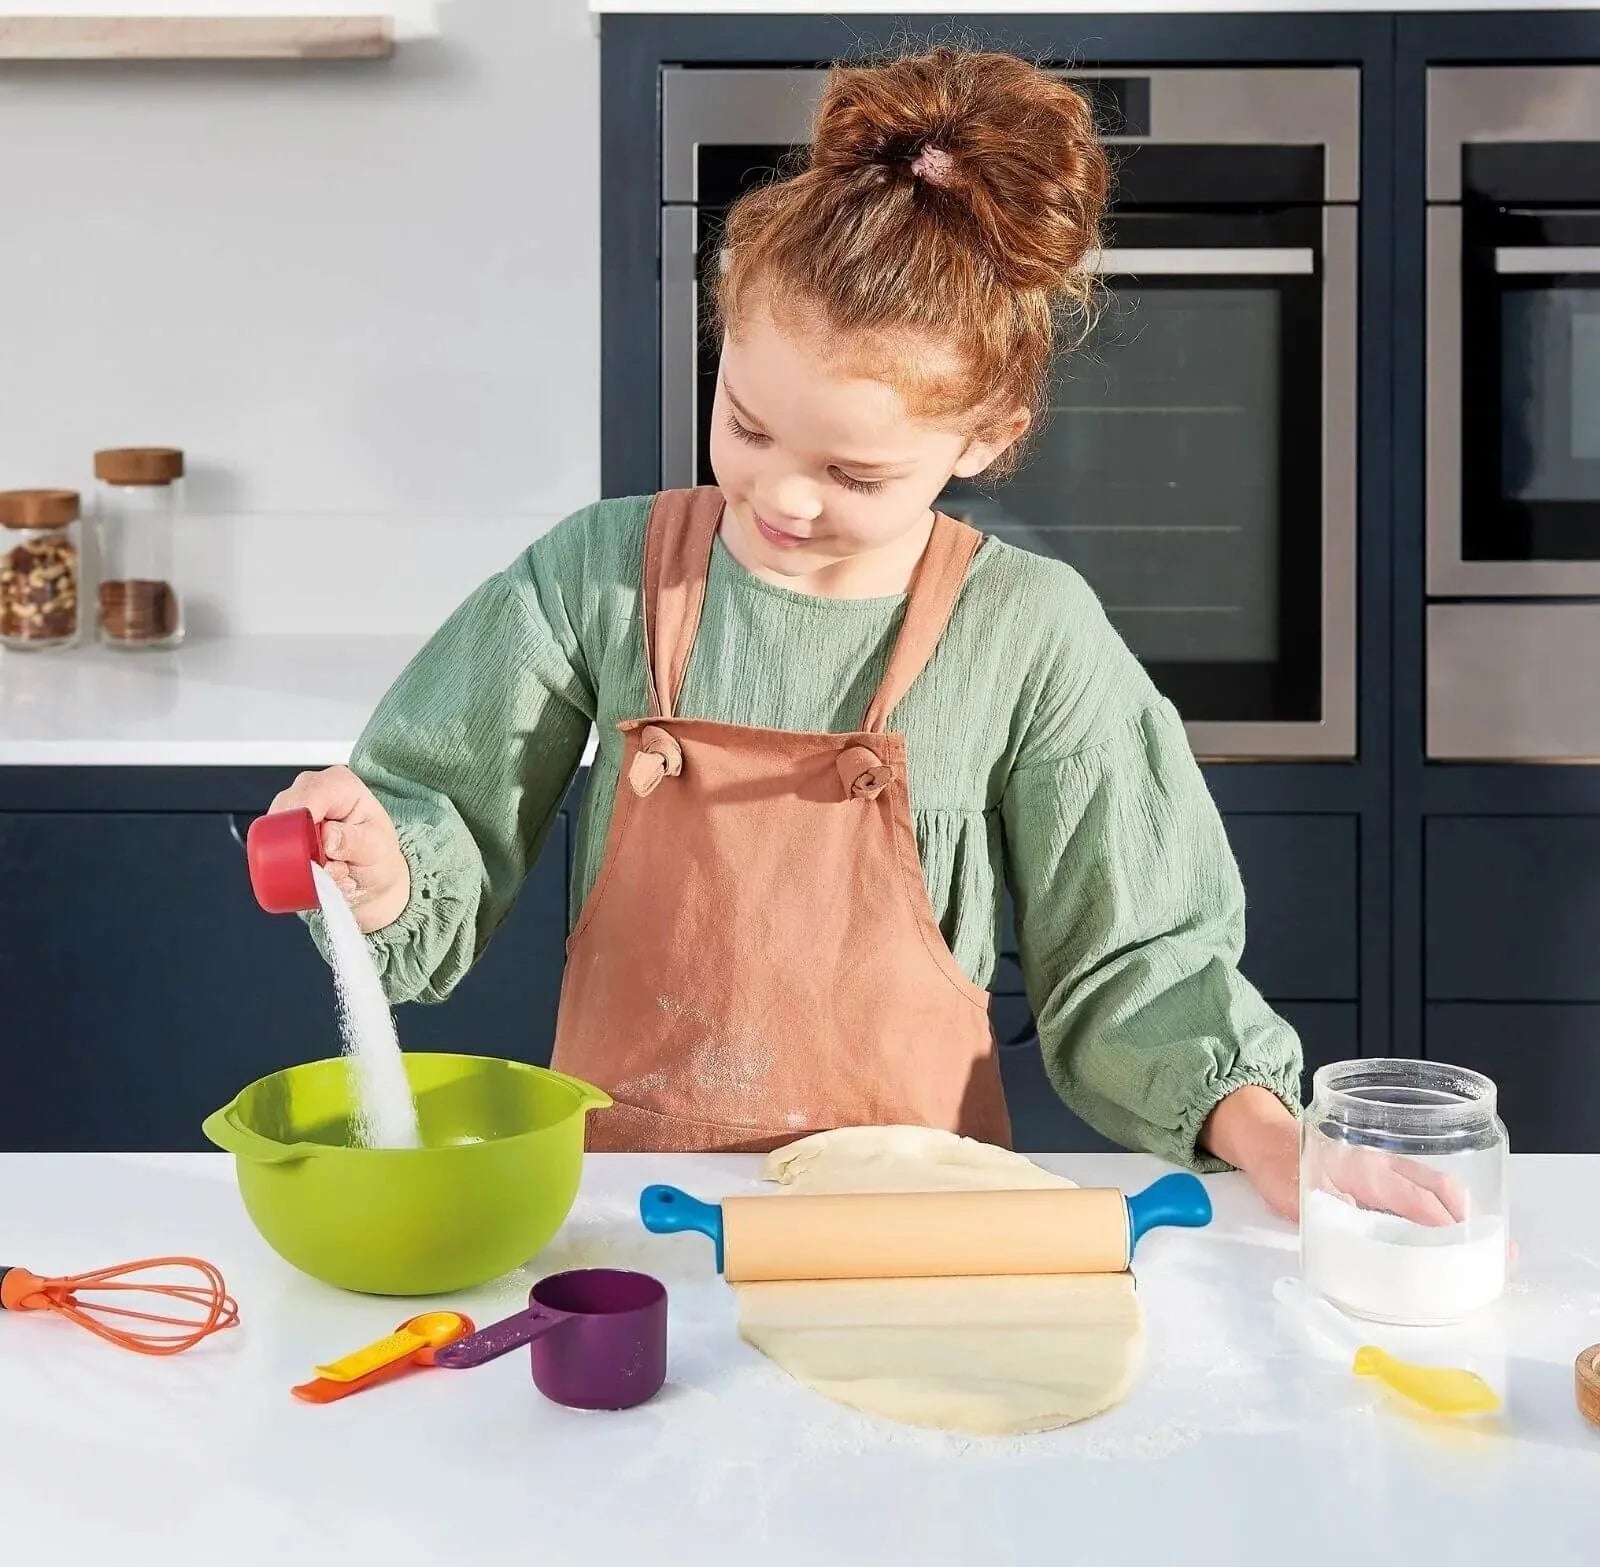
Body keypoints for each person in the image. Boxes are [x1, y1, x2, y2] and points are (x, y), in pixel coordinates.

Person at [270, 45, 1450, 1226]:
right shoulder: (601, 575)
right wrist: (380, 864)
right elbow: (441, 809)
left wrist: (1272, 1137)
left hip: (911, 1226)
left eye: (854, 473)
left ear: (986, 435)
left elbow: (1136, 958)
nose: (782, 497)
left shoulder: (1029, 633)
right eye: (747, 426)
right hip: (639, 1210)